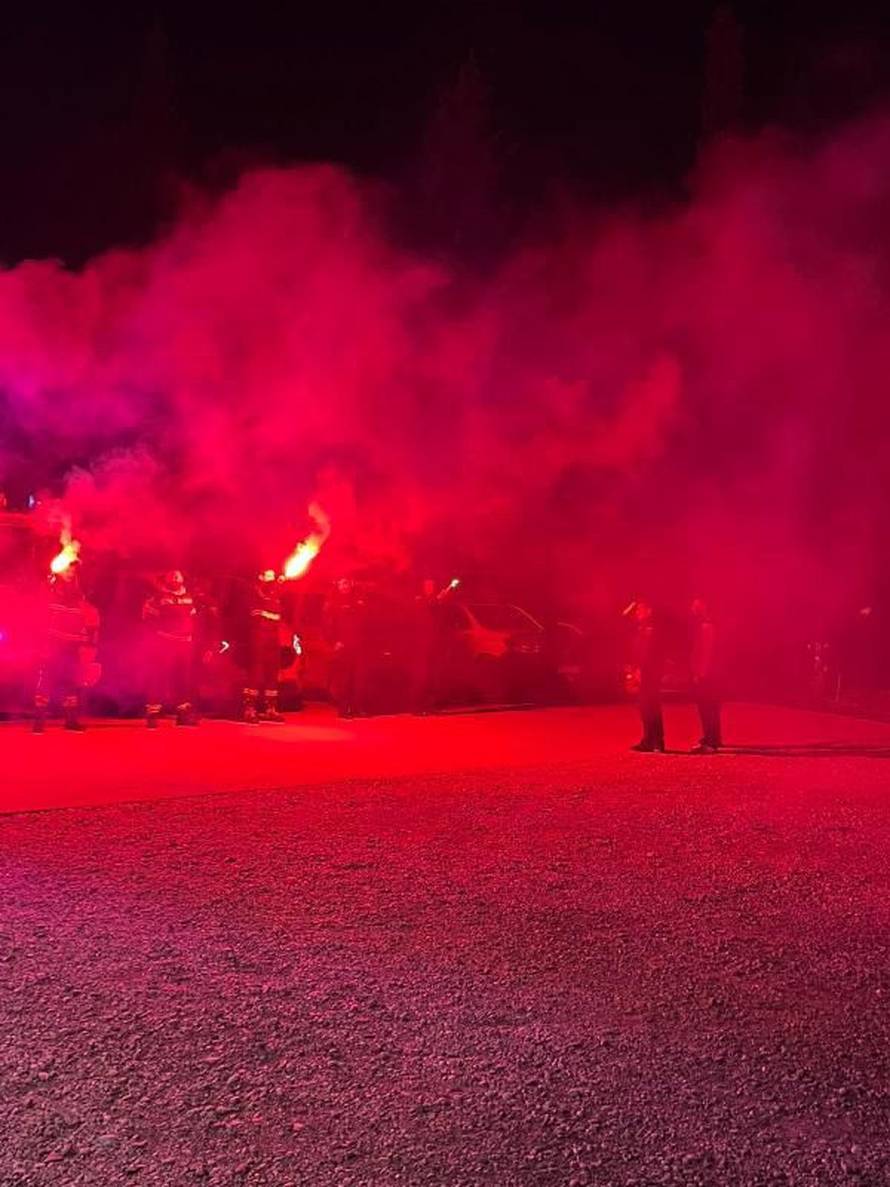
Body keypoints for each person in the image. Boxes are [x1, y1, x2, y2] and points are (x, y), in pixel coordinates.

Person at [33, 564, 99, 733]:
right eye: (67, 571)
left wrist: (84, 641)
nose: (71, 574)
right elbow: (41, 613)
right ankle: (39, 721)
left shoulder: (78, 595)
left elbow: (83, 620)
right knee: (47, 679)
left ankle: (70, 720)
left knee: (71, 681)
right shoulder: (51, 591)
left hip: (71, 646)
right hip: (53, 644)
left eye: (73, 572)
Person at [143, 570, 198, 728]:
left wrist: (191, 636)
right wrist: (158, 635)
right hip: (165, 643)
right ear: (165, 579)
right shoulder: (157, 598)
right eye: (172, 575)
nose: (175, 577)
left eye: (178, 575)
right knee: (158, 678)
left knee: (183, 679)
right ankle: (153, 713)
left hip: (184, 644)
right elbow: (148, 620)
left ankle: (183, 714)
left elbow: (193, 619)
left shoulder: (189, 598)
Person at [242, 570, 285, 723]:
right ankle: (249, 709)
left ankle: (270, 709)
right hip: (258, 637)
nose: (272, 579)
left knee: (272, 672)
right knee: (255, 671)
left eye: (273, 576)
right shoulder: (254, 592)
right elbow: (256, 613)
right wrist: (270, 615)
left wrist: (270, 614)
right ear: (260, 577)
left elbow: (279, 616)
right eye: (268, 576)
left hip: (273, 638)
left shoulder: (275, 594)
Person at [625, 598, 665, 753]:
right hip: (643, 672)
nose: (637, 613)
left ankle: (656, 740)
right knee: (645, 707)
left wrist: (641, 670)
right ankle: (648, 738)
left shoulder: (651, 629)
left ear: (649, 611)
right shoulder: (642, 628)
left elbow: (649, 654)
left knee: (651, 707)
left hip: (649, 673)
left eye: (640, 610)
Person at [690, 596, 722, 753]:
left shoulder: (706, 626)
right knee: (711, 707)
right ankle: (713, 738)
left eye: (696, 605)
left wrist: (700, 672)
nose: (692, 608)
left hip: (707, 675)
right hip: (711, 674)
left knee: (707, 707)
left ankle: (710, 741)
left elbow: (706, 652)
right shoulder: (708, 625)